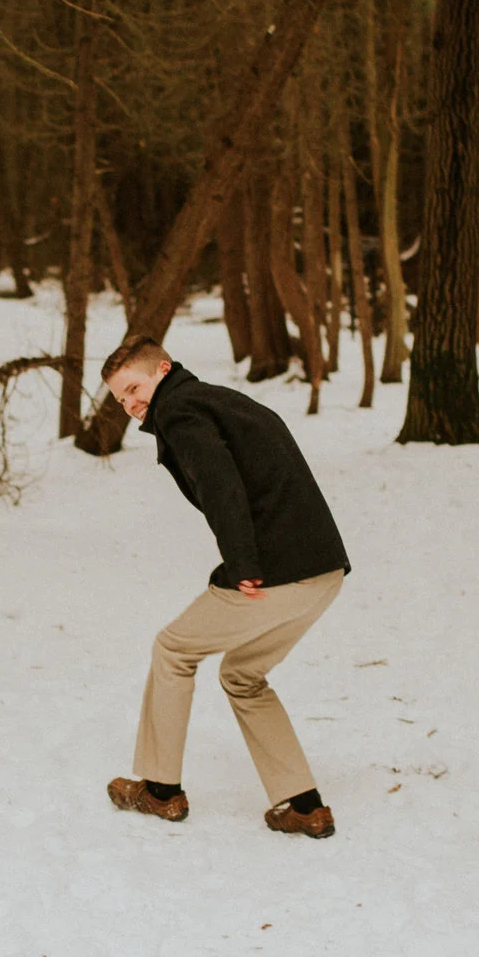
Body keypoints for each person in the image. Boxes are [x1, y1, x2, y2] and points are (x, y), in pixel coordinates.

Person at [98, 336, 351, 839]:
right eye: (120, 398)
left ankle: (159, 791)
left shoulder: (180, 410)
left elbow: (220, 483)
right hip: (323, 572)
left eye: (133, 387)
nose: (130, 404)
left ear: (162, 370)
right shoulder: (224, 400)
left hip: (272, 571)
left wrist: (242, 563)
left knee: (173, 650)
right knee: (243, 676)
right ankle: (304, 807)